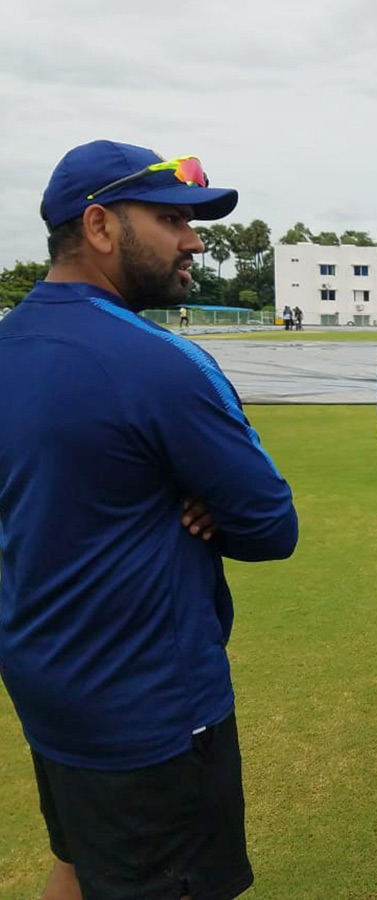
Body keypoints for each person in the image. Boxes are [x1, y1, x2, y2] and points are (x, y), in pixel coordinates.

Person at [0, 140, 298, 900]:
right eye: (171, 219)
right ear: (99, 226)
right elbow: (270, 526)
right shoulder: (160, 362)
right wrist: (187, 497)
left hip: (48, 689)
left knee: (76, 864)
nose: (195, 242)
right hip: (151, 708)